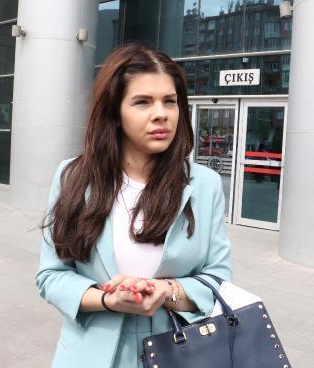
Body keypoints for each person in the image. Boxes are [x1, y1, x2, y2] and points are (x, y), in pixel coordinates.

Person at [36, 43, 232, 368]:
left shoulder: (205, 183)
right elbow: (51, 275)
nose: (161, 113)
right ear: (115, 112)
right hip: (91, 354)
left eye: (170, 101)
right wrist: (108, 299)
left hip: (179, 351)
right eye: (142, 102)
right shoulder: (74, 177)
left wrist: (166, 291)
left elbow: (218, 279)